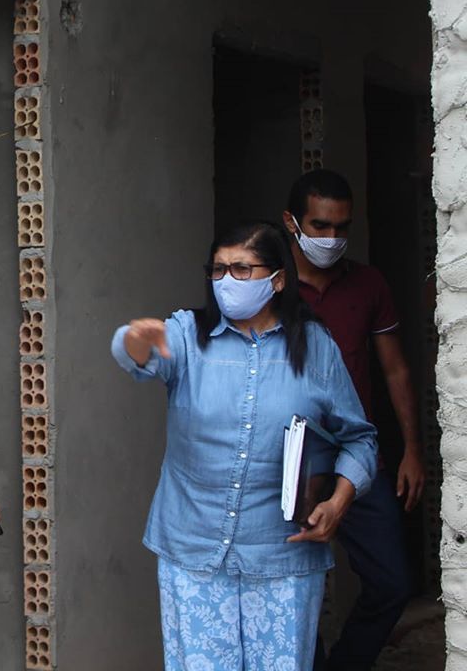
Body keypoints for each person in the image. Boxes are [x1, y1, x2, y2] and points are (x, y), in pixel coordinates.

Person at [112, 221, 377, 671]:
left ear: (277, 279)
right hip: (193, 552)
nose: (226, 281)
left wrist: (338, 503)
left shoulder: (315, 347)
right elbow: (138, 356)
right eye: (218, 270)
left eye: (241, 269)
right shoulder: (187, 334)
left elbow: (360, 439)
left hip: (283, 556)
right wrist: (133, 340)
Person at [283, 170, 423, 670]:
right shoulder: (270, 286)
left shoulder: (368, 284)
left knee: (392, 583)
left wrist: (412, 449)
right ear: (291, 223)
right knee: (293, 589)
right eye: (319, 226)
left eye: (341, 227)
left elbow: (395, 369)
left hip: (357, 454)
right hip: (289, 460)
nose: (331, 238)